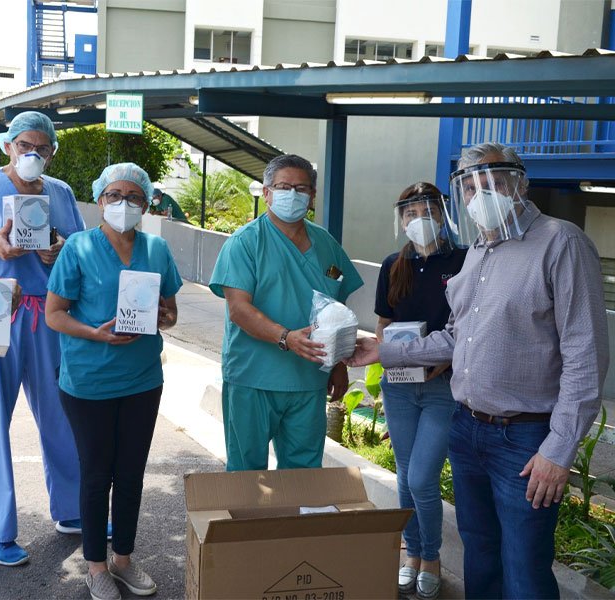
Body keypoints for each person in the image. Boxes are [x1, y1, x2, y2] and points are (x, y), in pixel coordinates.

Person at [349, 142, 609, 599]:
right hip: (467, 429)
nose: (478, 194)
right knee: (480, 556)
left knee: (524, 567)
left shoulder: (560, 242)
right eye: (468, 187)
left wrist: (559, 448)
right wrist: (384, 352)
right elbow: (454, 336)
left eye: (489, 181)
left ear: (518, 182)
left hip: (526, 441)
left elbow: (585, 354)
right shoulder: (478, 254)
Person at [0, 111, 86, 566]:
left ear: (52, 151)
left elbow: (81, 251)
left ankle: (71, 510)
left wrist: (61, 249)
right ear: (7, 144)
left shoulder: (61, 192)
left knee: (62, 415)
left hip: (47, 311)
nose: (33, 154)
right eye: (24, 145)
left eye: (42, 147)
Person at [45, 162, 182, 600]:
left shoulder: (157, 249)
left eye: (134, 196)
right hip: (88, 381)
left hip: (142, 379)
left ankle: (123, 559)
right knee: (95, 473)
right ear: (100, 199)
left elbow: (172, 312)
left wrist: (166, 316)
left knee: (130, 475)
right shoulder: (79, 249)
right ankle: (96, 567)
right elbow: (55, 314)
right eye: (114, 195)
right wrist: (96, 333)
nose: (124, 203)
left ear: (147, 202)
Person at [209, 154, 363, 471]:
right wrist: (285, 338)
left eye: (301, 188)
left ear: (312, 197)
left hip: (308, 381)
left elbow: (337, 305)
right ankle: (248, 522)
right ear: (266, 192)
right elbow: (239, 309)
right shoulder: (245, 243)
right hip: (254, 377)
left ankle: (292, 523)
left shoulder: (327, 245)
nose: (292, 194)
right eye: (283, 187)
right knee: (245, 471)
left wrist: (338, 362)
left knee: (304, 472)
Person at [374, 183, 467, 599]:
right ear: (401, 219)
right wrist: (385, 370)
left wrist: (443, 361)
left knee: (422, 478)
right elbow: (382, 325)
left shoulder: (465, 260)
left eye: (427, 210)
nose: (418, 220)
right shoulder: (394, 264)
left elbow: (469, 327)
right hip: (399, 388)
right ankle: (411, 553)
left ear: (443, 214)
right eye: (409, 213)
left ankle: (430, 556)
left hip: (443, 387)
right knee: (405, 478)